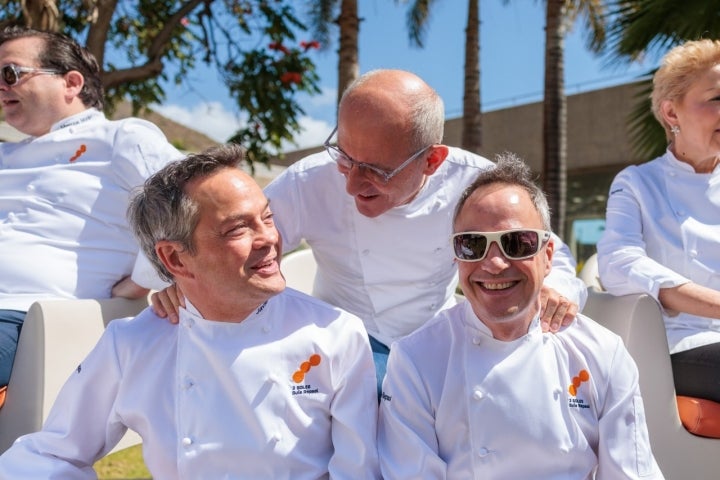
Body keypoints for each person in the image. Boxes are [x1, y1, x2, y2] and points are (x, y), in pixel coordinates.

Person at [153, 69, 588, 394]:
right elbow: (229, 239)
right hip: (339, 342)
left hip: (437, 338)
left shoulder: (475, 182)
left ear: (432, 161)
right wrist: (178, 279)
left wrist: (559, 287)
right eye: (344, 156)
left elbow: (552, 249)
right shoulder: (309, 180)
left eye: (376, 171)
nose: (350, 183)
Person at [0, 144, 380, 478]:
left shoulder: (336, 334)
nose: (269, 238)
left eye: (267, 217)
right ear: (175, 260)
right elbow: (52, 454)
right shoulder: (131, 344)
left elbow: (358, 471)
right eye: (237, 229)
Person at [377, 153, 663, 479]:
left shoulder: (602, 354)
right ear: (456, 256)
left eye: (516, 243)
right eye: (472, 244)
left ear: (548, 256)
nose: (494, 264)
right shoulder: (416, 360)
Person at [0, 26, 184, 398]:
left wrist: (144, 278)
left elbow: (188, 200)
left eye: (10, 73)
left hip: (24, 316)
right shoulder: (6, 155)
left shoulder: (122, 138)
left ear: (71, 82)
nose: (1, 87)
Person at [597, 39, 720, 404]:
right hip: (681, 344)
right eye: (716, 99)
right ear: (671, 114)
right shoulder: (637, 183)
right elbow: (619, 263)